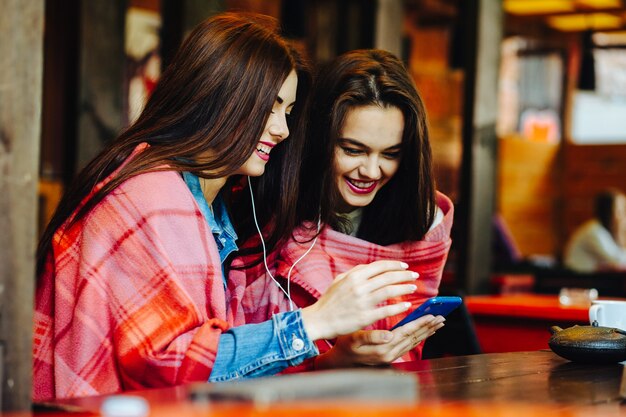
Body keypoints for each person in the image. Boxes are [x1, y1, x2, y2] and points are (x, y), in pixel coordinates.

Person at [33, 15, 419, 400]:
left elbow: (226, 369)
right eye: (269, 107)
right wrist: (313, 322)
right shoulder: (154, 197)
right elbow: (167, 367)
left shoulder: (211, 205)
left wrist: (333, 359)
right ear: (218, 98)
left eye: (287, 112)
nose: (282, 130)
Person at [234, 49, 453, 369]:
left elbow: (407, 352)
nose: (372, 171)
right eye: (353, 150)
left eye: (390, 154)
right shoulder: (264, 208)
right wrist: (335, 358)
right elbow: (235, 351)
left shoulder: (423, 221)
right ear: (319, 139)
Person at [564, 189, 626, 273]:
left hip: (592, 278)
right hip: (580, 279)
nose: (622, 216)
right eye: (619, 211)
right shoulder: (594, 231)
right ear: (608, 211)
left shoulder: (603, 230)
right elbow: (617, 260)